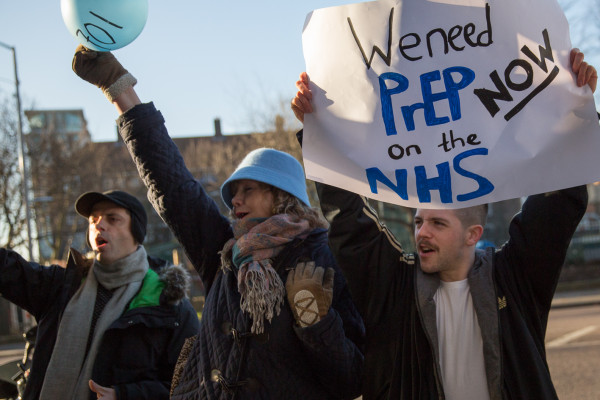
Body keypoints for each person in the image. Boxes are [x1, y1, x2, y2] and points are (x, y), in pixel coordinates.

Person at [290, 48, 597, 400]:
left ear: (473, 235)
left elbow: (557, 203)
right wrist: (318, 131)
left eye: (438, 223)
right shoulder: (395, 289)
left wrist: (576, 112)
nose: (422, 232)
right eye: (420, 221)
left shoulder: (514, 280)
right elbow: (349, 223)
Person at [71, 45, 365, 400]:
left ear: (281, 196)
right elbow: (173, 185)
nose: (234, 200)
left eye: (248, 189)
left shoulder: (321, 257)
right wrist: (119, 90)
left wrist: (316, 323)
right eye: (233, 192)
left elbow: (351, 379)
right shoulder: (226, 256)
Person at [0, 189, 200, 400]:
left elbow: (191, 385)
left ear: (137, 232)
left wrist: (124, 395)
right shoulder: (62, 286)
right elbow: (7, 270)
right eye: (93, 219)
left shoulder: (169, 304)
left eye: (113, 219)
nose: (99, 225)